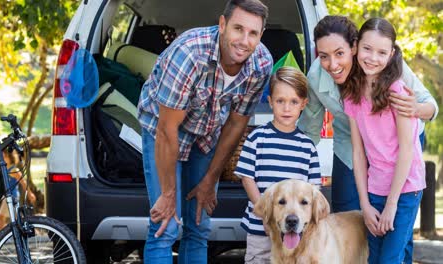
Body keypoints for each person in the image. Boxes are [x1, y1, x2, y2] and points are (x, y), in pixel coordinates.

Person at [137, 0, 273, 262]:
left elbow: (236, 123)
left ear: (260, 35)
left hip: (207, 134)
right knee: (166, 224)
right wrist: (168, 195)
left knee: (199, 224)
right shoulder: (189, 53)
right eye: (238, 29)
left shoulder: (261, 64)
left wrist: (210, 179)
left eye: (253, 33)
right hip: (162, 130)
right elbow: (167, 130)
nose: (244, 40)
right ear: (222, 25)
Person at [297, 15, 438, 213]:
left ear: (354, 47)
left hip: (397, 146)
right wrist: (291, 165)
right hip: (350, 146)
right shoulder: (315, 77)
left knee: (396, 216)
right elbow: (310, 130)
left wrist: (415, 108)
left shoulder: (383, 62)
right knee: (346, 212)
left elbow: (430, 105)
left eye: (339, 53)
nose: (332, 64)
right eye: (323, 56)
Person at [342, 17, 425, 263]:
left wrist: (392, 205)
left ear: (391, 55)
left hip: (405, 189)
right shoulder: (352, 94)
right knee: (374, 258)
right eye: (367, 49)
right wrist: (365, 205)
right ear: (356, 47)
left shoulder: (397, 92)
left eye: (381, 52)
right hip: (374, 187)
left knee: (390, 259)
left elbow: (407, 151)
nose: (372, 57)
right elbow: (358, 152)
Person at [235, 66, 321, 264]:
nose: (287, 108)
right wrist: (266, 215)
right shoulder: (257, 138)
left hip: (295, 231)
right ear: (270, 102)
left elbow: (313, 189)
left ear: (303, 104)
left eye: (294, 102)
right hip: (261, 229)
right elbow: (247, 178)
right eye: (280, 101)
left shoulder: (307, 146)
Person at [0, 150, 36, 230]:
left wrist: (30, 194)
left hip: (12, 196)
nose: (2, 159)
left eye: (4, 156)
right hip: (8, 196)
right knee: (16, 219)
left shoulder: (14, 170)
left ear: (10, 157)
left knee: (1, 217)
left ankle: (0, 236)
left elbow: (23, 182)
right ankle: (10, 234)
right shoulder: (6, 169)